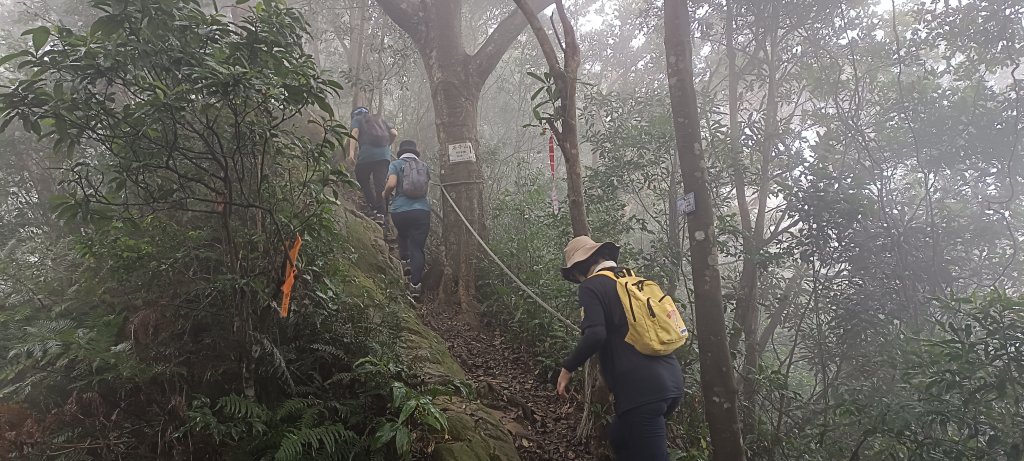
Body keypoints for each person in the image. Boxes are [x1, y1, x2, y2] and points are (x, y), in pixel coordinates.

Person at [556, 236, 684, 460]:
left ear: (579, 267)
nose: (577, 279)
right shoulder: (633, 280)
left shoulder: (591, 286)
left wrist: (567, 368)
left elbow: (595, 334)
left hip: (641, 393)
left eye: (575, 275)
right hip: (671, 379)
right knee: (619, 438)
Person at [382, 140, 431, 299]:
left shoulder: (396, 165)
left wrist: (385, 194)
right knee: (417, 247)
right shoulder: (424, 166)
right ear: (415, 152)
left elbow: (391, 184)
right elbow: (424, 189)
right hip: (421, 211)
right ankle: (415, 286)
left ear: (401, 152)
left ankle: (405, 261)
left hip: (400, 210)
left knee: (402, 234)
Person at [348, 107, 398, 225]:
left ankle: (373, 206)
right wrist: (386, 146)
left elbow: (355, 132)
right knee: (380, 184)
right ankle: (381, 214)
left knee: (361, 178)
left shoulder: (357, 118)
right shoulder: (379, 119)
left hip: (366, 155)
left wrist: (351, 153)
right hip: (384, 156)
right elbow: (394, 133)